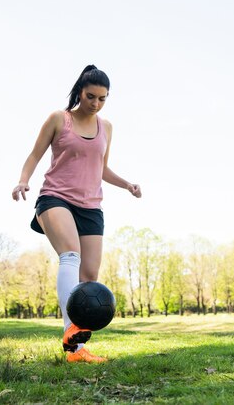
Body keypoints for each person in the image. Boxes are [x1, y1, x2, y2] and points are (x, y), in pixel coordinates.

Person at [12, 65, 141, 363]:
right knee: (70, 255)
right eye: (91, 96)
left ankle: (76, 352)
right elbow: (35, 154)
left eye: (102, 99)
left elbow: (102, 168)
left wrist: (126, 185)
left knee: (90, 275)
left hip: (91, 206)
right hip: (55, 198)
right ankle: (71, 332)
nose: (95, 103)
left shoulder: (106, 127)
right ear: (79, 92)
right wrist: (23, 179)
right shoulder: (60, 119)